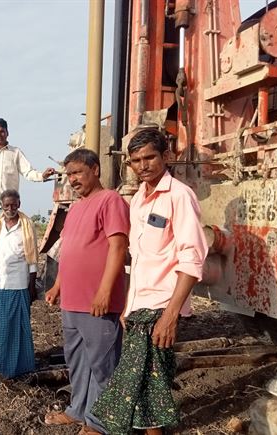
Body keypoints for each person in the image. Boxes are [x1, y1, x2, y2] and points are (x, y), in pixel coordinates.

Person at [92, 128, 207, 434]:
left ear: (166, 156)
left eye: (149, 157)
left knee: (141, 385)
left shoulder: (179, 197)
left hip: (160, 306)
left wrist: (170, 316)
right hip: (139, 306)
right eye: (135, 160)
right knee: (145, 387)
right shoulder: (139, 201)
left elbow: (192, 261)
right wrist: (128, 307)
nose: (143, 165)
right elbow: (139, 260)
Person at [45, 148, 130, 435]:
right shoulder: (77, 206)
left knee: (103, 364)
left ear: (95, 169)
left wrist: (105, 291)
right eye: (69, 174)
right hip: (72, 300)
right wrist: (57, 286)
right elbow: (69, 251)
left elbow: (118, 247)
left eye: (78, 172)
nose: (72, 179)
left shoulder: (111, 200)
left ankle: (100, 423)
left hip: (97, 301)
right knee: (78, 361)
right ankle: (77, 411)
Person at [0, 118, 55, 232]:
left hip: (10, 203)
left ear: (7, 133)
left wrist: (42, 176)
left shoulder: (15, 152)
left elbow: (28, 172)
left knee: (10, 232)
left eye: (2, 131)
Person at [0, 189, 38, 378]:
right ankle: (2, 369)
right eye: (6, 205)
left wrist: (32, 285)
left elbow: (32, 257)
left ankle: (23, 367)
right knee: (3, 325)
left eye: (13, 205)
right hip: (1, 282)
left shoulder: (26, 224)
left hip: (21, 283)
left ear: (19, 204)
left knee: (22, 326)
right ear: (1, 205)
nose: (10, 208)